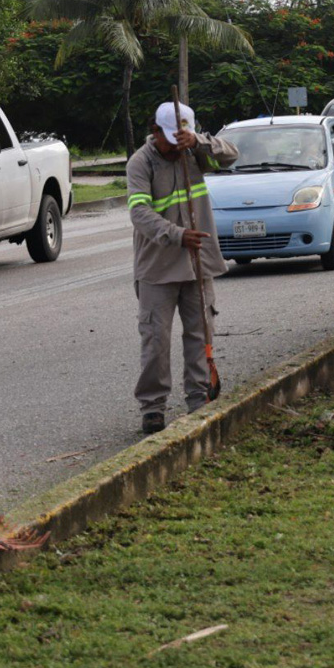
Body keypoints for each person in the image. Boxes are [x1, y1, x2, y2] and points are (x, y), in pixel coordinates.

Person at [126, 100, 238, 434]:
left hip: (197, 265)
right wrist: (176, 234)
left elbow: (231, 155)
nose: (176, 149)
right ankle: (153, 407)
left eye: (182, 140)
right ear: (155, 131)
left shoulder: (194, 151)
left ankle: (199, 400)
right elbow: (139, 213)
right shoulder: (140, 163)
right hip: (157, 269)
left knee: (201, 333)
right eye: (171, 142)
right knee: (156, 341)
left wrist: (200, 142)